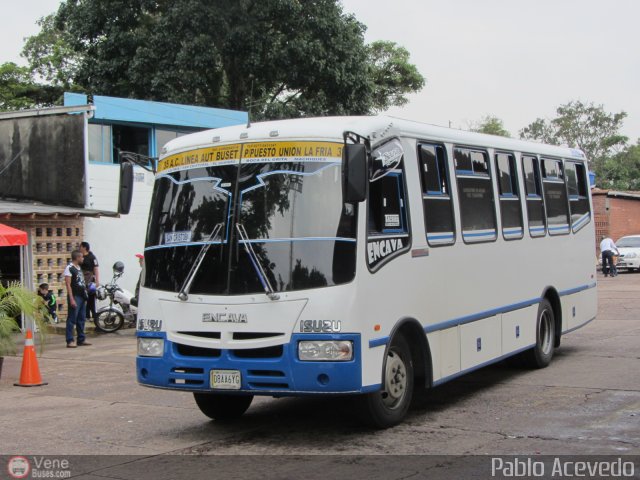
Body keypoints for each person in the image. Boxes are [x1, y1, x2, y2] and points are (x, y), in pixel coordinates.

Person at [65, 250, 92, 348]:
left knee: (81, 318)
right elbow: (68, 284)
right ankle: (69, 340)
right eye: (81, 257)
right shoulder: (69, 268)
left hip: (82, 295)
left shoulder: (79, 268)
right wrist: (71, 298)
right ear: (77, 258)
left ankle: (81, 339)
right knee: (72, 318)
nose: (83, 258)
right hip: (75, 296)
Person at [79, 241, 100, 320]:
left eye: (80, 246)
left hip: (90, 279)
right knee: (84, 297)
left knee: (91, 297)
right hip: (82, 279)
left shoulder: (92, 257)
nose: (79, 248)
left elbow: (96, 268)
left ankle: (94, 314)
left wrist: (97, 281)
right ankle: (86, 314)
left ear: (84, 247)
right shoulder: (80, 257)